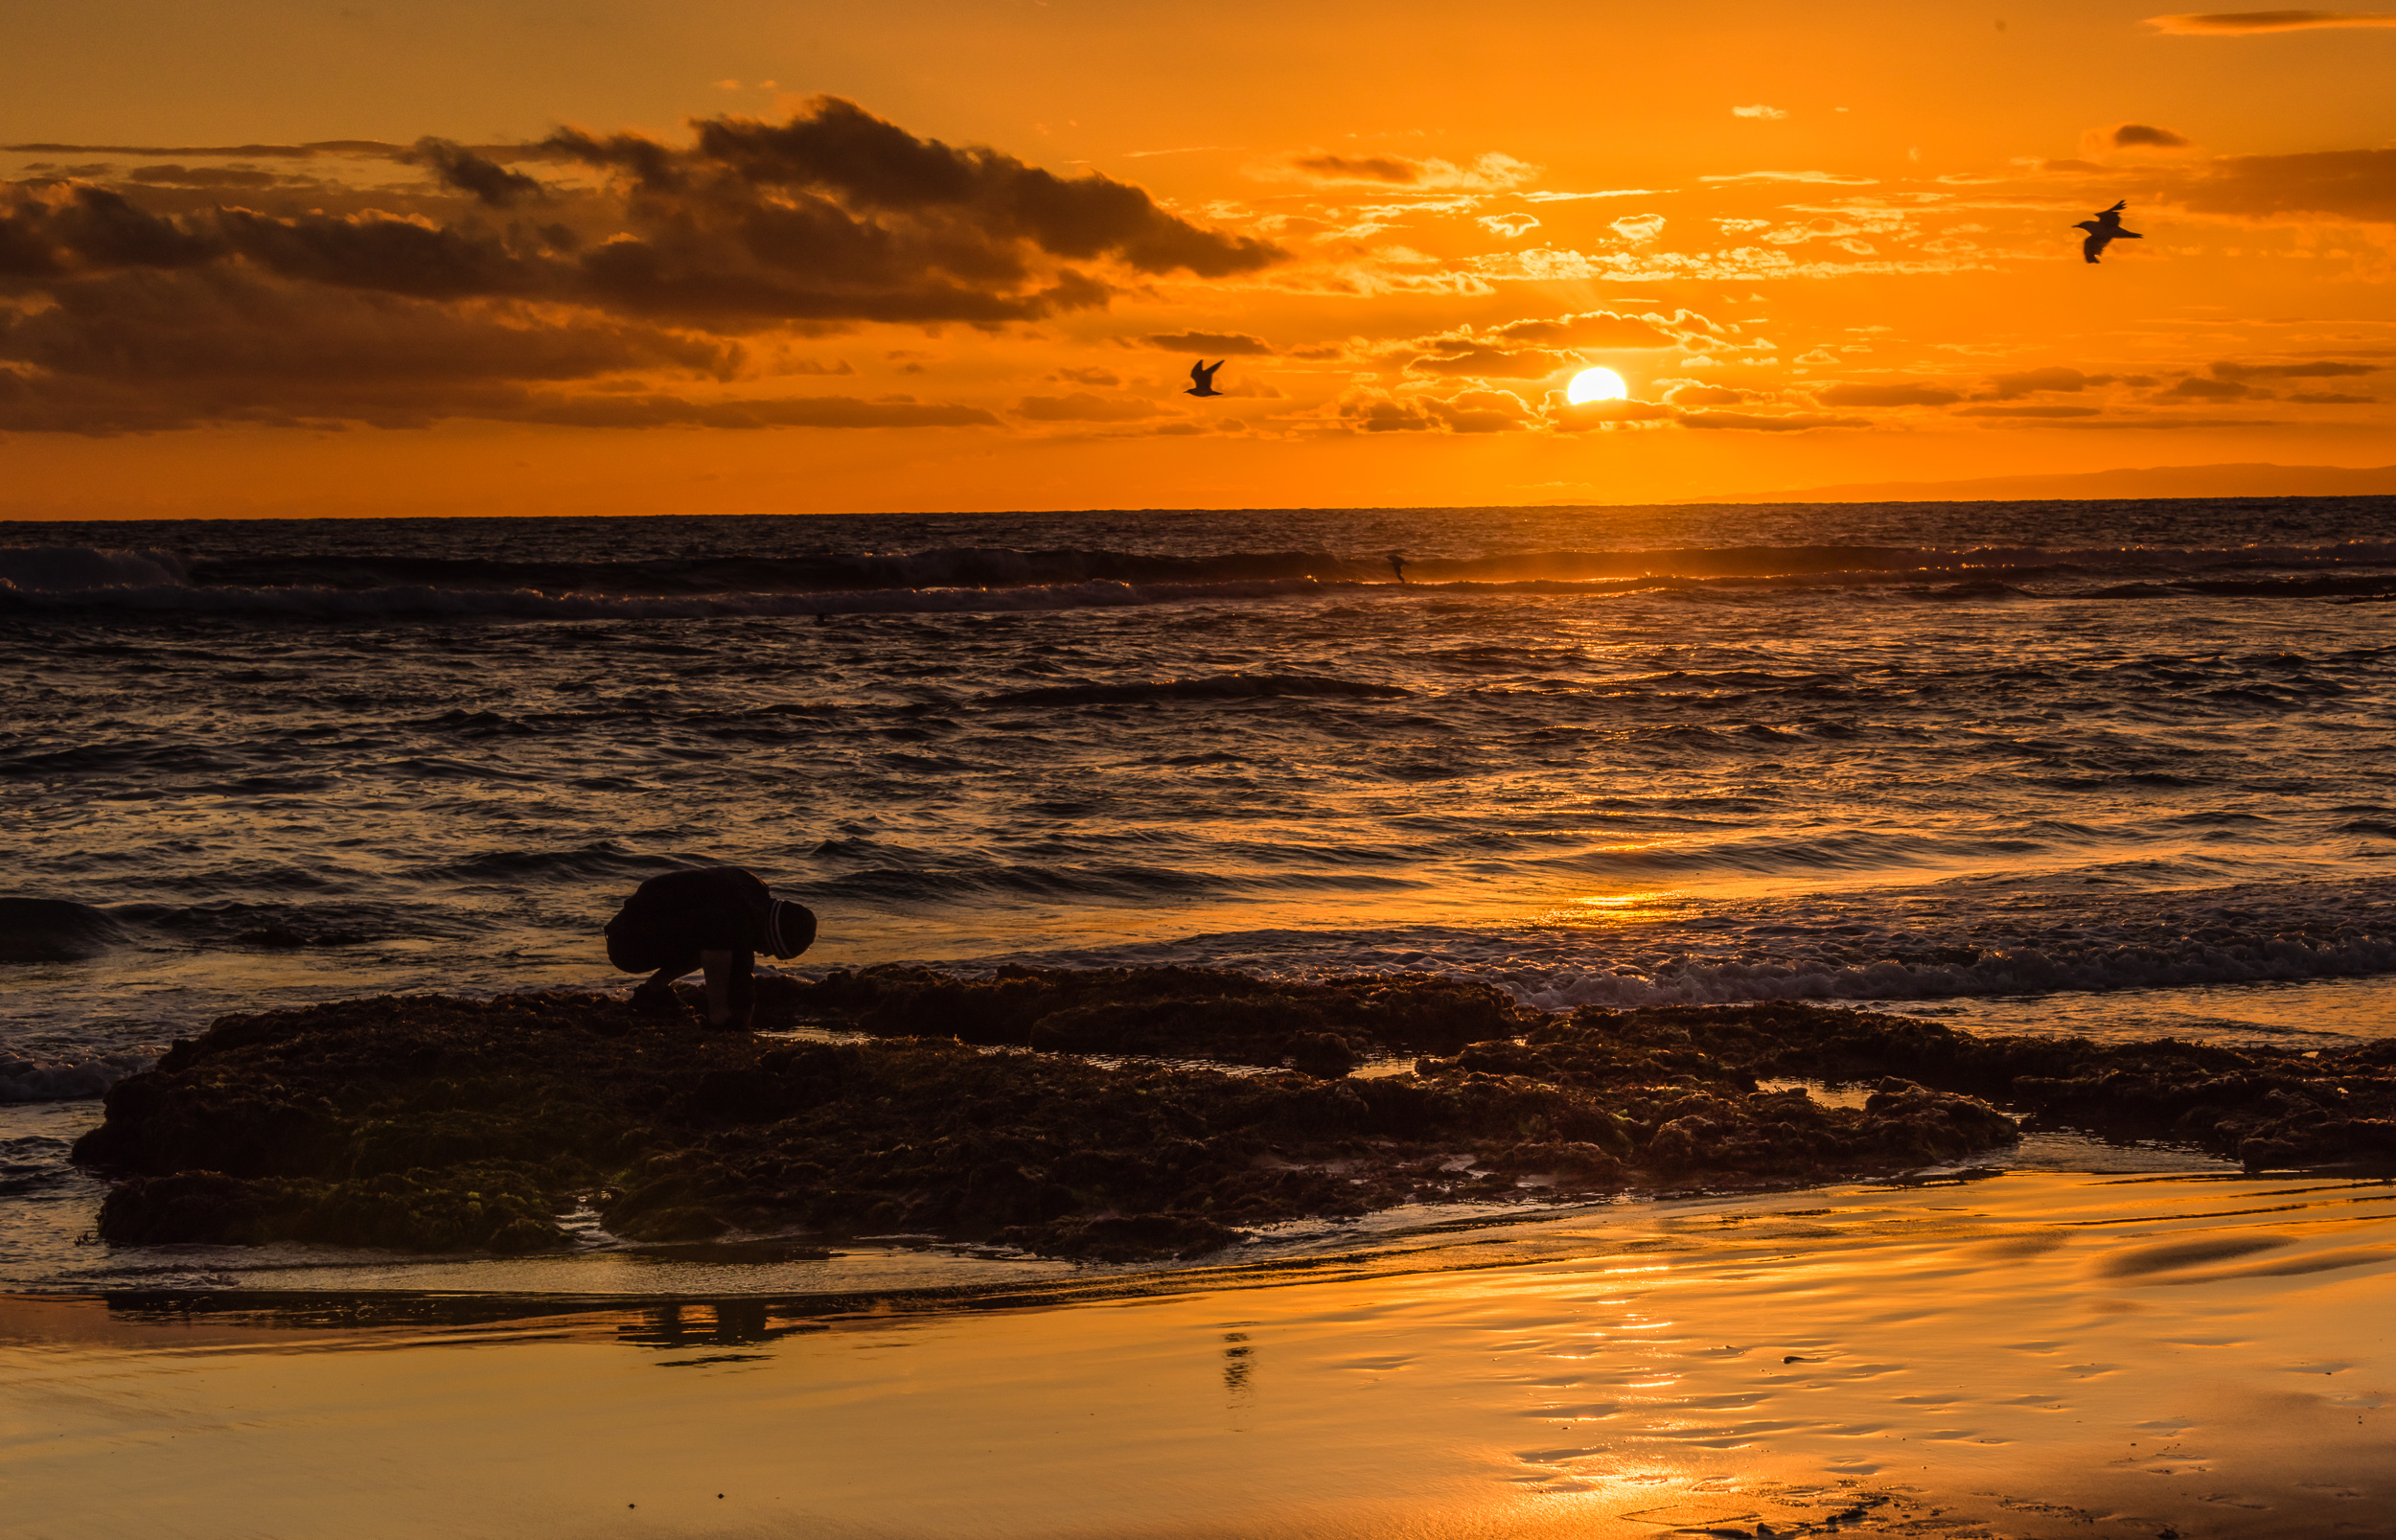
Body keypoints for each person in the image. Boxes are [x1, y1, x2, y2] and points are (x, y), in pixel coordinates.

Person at [604, 866, 816, 1031]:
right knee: (719, 943)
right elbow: (722, 955)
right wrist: (723, 1017)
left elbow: (742, 968)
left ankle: (654, 990)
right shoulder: (734, 913)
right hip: (628, 943)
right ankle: (718, 1016)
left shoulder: (751, 898)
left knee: (724, 940)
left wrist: (743, 1020)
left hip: (630, 932)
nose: (767, 954)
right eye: (772, 950)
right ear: (773, 934)